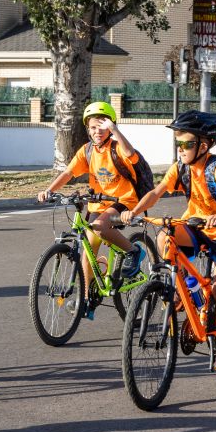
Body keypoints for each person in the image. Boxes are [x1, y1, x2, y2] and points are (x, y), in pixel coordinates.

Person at [120, 110, 216, 372]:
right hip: (195, 225)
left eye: (186, 144)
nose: (181, 149)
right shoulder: (181, 168)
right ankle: (183, 287)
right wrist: (135, 211)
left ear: (203, 145)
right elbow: (156, 192)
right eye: (179, 143)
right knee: (165, 235)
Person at [37, 101, 146, 318]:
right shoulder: (87, 151)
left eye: (102, 126)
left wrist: (115, 131)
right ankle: (86, 299)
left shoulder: (117, 147)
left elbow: (131, 154)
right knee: (88, 251)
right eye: (93, 127)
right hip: (98, 204)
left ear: (111, 127)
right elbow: (68, 173)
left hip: (124, 200)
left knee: (99, 226)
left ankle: (134, 251)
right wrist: (49, 190)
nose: (97, 131)